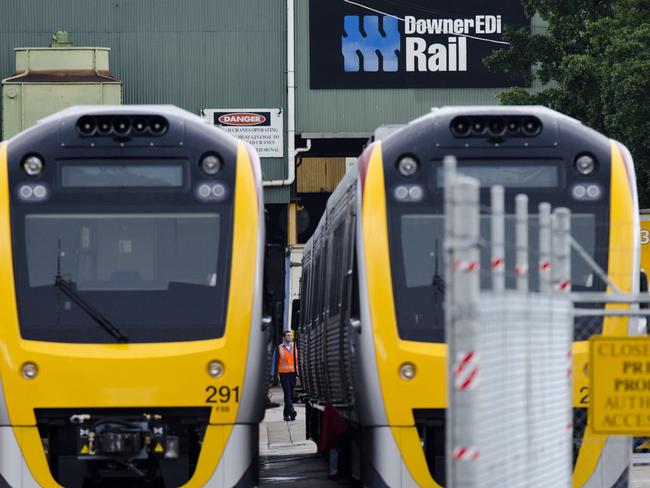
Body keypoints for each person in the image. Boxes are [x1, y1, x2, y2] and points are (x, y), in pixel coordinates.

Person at [272, 330, 298, 421]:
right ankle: (292, 411)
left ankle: (286, 415)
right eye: (287, 335)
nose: (290, 337)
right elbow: (274, 362)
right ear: (283, 337)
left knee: (290, 394)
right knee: (287, 392)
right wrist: (272, 374)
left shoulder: (295, 347)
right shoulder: (279, 348)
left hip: (293, 374)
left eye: (290, 335)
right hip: (283, 374)